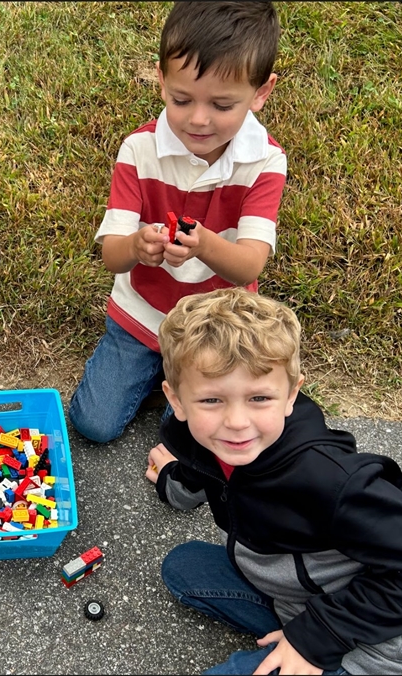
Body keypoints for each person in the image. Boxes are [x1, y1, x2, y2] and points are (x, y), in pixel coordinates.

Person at [145, 288, 402, 675]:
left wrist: (315, 638)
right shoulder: (196, 437)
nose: (237, 422)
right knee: (182, 567)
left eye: (259, 399)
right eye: (211, 401)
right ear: (176, 401)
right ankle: (294, 631)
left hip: (377, 638)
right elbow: (200, 474)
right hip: (295, 593)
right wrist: (171, 476)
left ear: (291, 394)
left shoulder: (333, 481)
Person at [69, 1, 286, 444]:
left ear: (261, 92)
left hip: (215, 324)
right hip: (142, 314)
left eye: (222, 105)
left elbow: (248, 267)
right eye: (180, 99)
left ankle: (176, 392)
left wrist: (204, 244)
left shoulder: (265, 161)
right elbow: (112, 256)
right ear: (161, 79)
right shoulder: (139, 150)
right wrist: (135, 247)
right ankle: (162, 379)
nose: (198, 119)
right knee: (93, 424)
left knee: (197, 436)